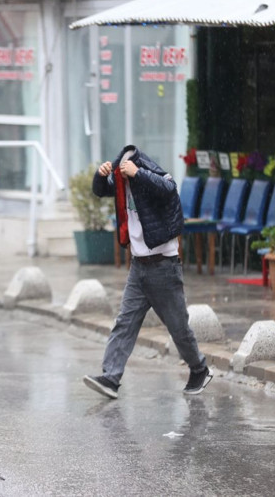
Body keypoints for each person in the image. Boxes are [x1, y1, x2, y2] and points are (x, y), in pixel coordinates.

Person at [82, 145, 212, 399]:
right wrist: (100, 174)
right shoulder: (122, 184)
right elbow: (100, 190)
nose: (122, 172)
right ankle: (110, 377)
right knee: (125, 322)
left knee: (178, 328)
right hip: (139, 267)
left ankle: (199, 368)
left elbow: (168, 190)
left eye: (125, 168)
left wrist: (137, 173)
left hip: (164, 266)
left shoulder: (152, 176)